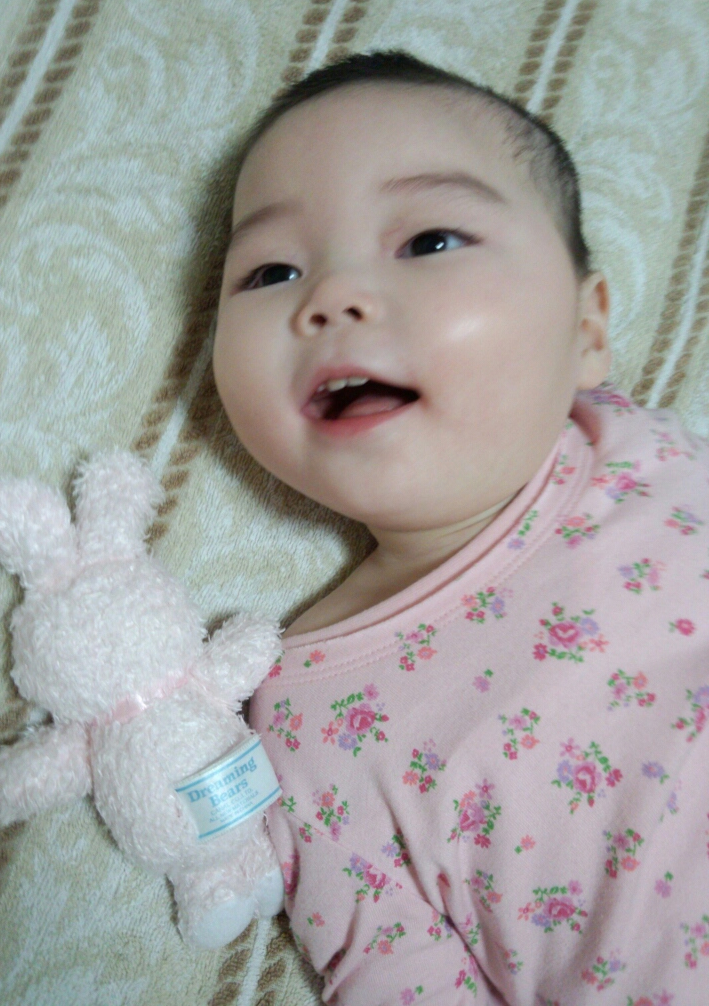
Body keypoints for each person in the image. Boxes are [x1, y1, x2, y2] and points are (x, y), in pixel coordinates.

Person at [212, 50, 709, 1005]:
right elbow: (395, 971)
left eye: (430, 241)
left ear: (587, 331)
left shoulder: (649, 454)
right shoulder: (304, 720)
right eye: (272, 271)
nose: (333, 298)